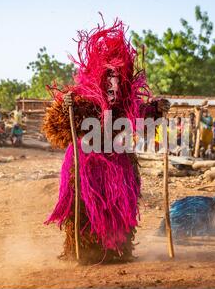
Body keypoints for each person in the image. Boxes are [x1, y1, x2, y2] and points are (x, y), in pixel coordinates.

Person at [42, 19, 170, 264]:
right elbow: (57, 127)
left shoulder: (125, 105)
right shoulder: (81, 101)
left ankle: (116, 250)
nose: (113, 84)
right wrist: (64, 107)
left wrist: (157, 109)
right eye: (108, 77)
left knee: (119, 204)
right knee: (81, 208)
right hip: (84, 163)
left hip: (116, 160)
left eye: (117, 78)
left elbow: (142, 117)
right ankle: (81, 251)